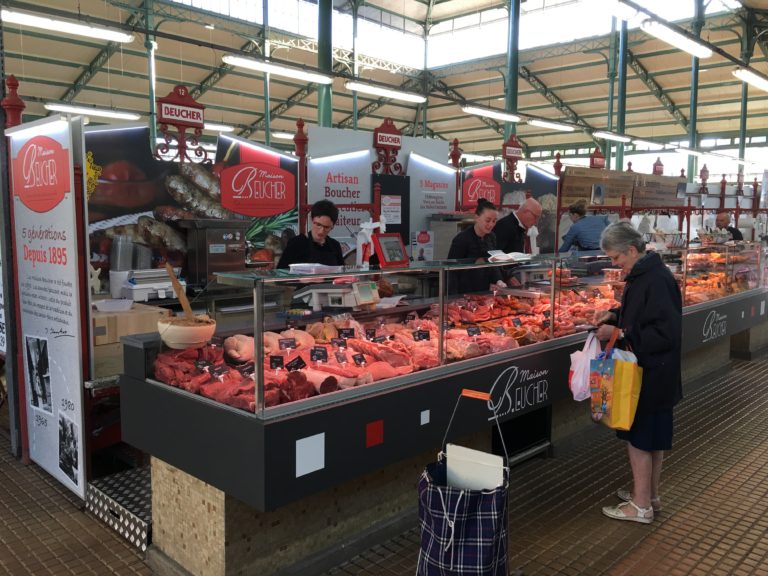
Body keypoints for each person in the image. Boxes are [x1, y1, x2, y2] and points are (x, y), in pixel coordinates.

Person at [593, 221, 682, 524]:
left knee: (640, 438)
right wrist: (615, 313)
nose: (614, 264)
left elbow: (664, 332)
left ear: (632, 249)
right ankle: (650, 495)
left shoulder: (655, 279)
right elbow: (642, 312)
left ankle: (639, 506)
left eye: (616, 257)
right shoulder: (646, 274)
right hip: (656, 373)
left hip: (650, 373)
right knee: (653, 437)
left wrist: (618, 332)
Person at [447, 198, 505, 294]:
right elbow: (451, 271)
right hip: (464, 292)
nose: (491, 224)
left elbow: (493, 263)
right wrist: (453, 298)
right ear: (477, 218)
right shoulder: (462, 239)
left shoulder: (491, 237)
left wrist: (499, 280)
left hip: (484, 291)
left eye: (494, 221)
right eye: (487, 220)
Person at [277, 200, 345, 269]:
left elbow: (342, 273)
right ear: (311, 220)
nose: (321, 231)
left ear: (333, 226)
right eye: (318, 225)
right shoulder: (296, 243)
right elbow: (280, 272)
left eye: (326, 227)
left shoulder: (335, 245)